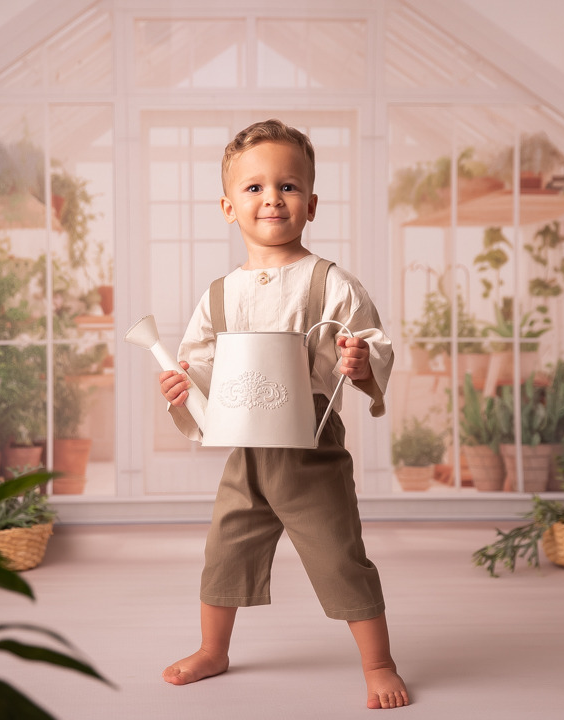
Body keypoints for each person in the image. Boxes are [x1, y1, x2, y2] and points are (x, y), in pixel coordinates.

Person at [156, 119, 409, 710]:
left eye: (288, 186)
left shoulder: (330, 283)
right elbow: (201, 362)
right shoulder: (219, 294)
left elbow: (369, 342)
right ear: (228, 207)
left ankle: (379, 663)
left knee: (339, 554)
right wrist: (184, 385)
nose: (272, 198)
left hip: (309, 443)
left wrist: (358, 361)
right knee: (224, 550)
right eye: (254, 188)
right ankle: (213, 649)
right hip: (246, 446)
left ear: (311, 204)